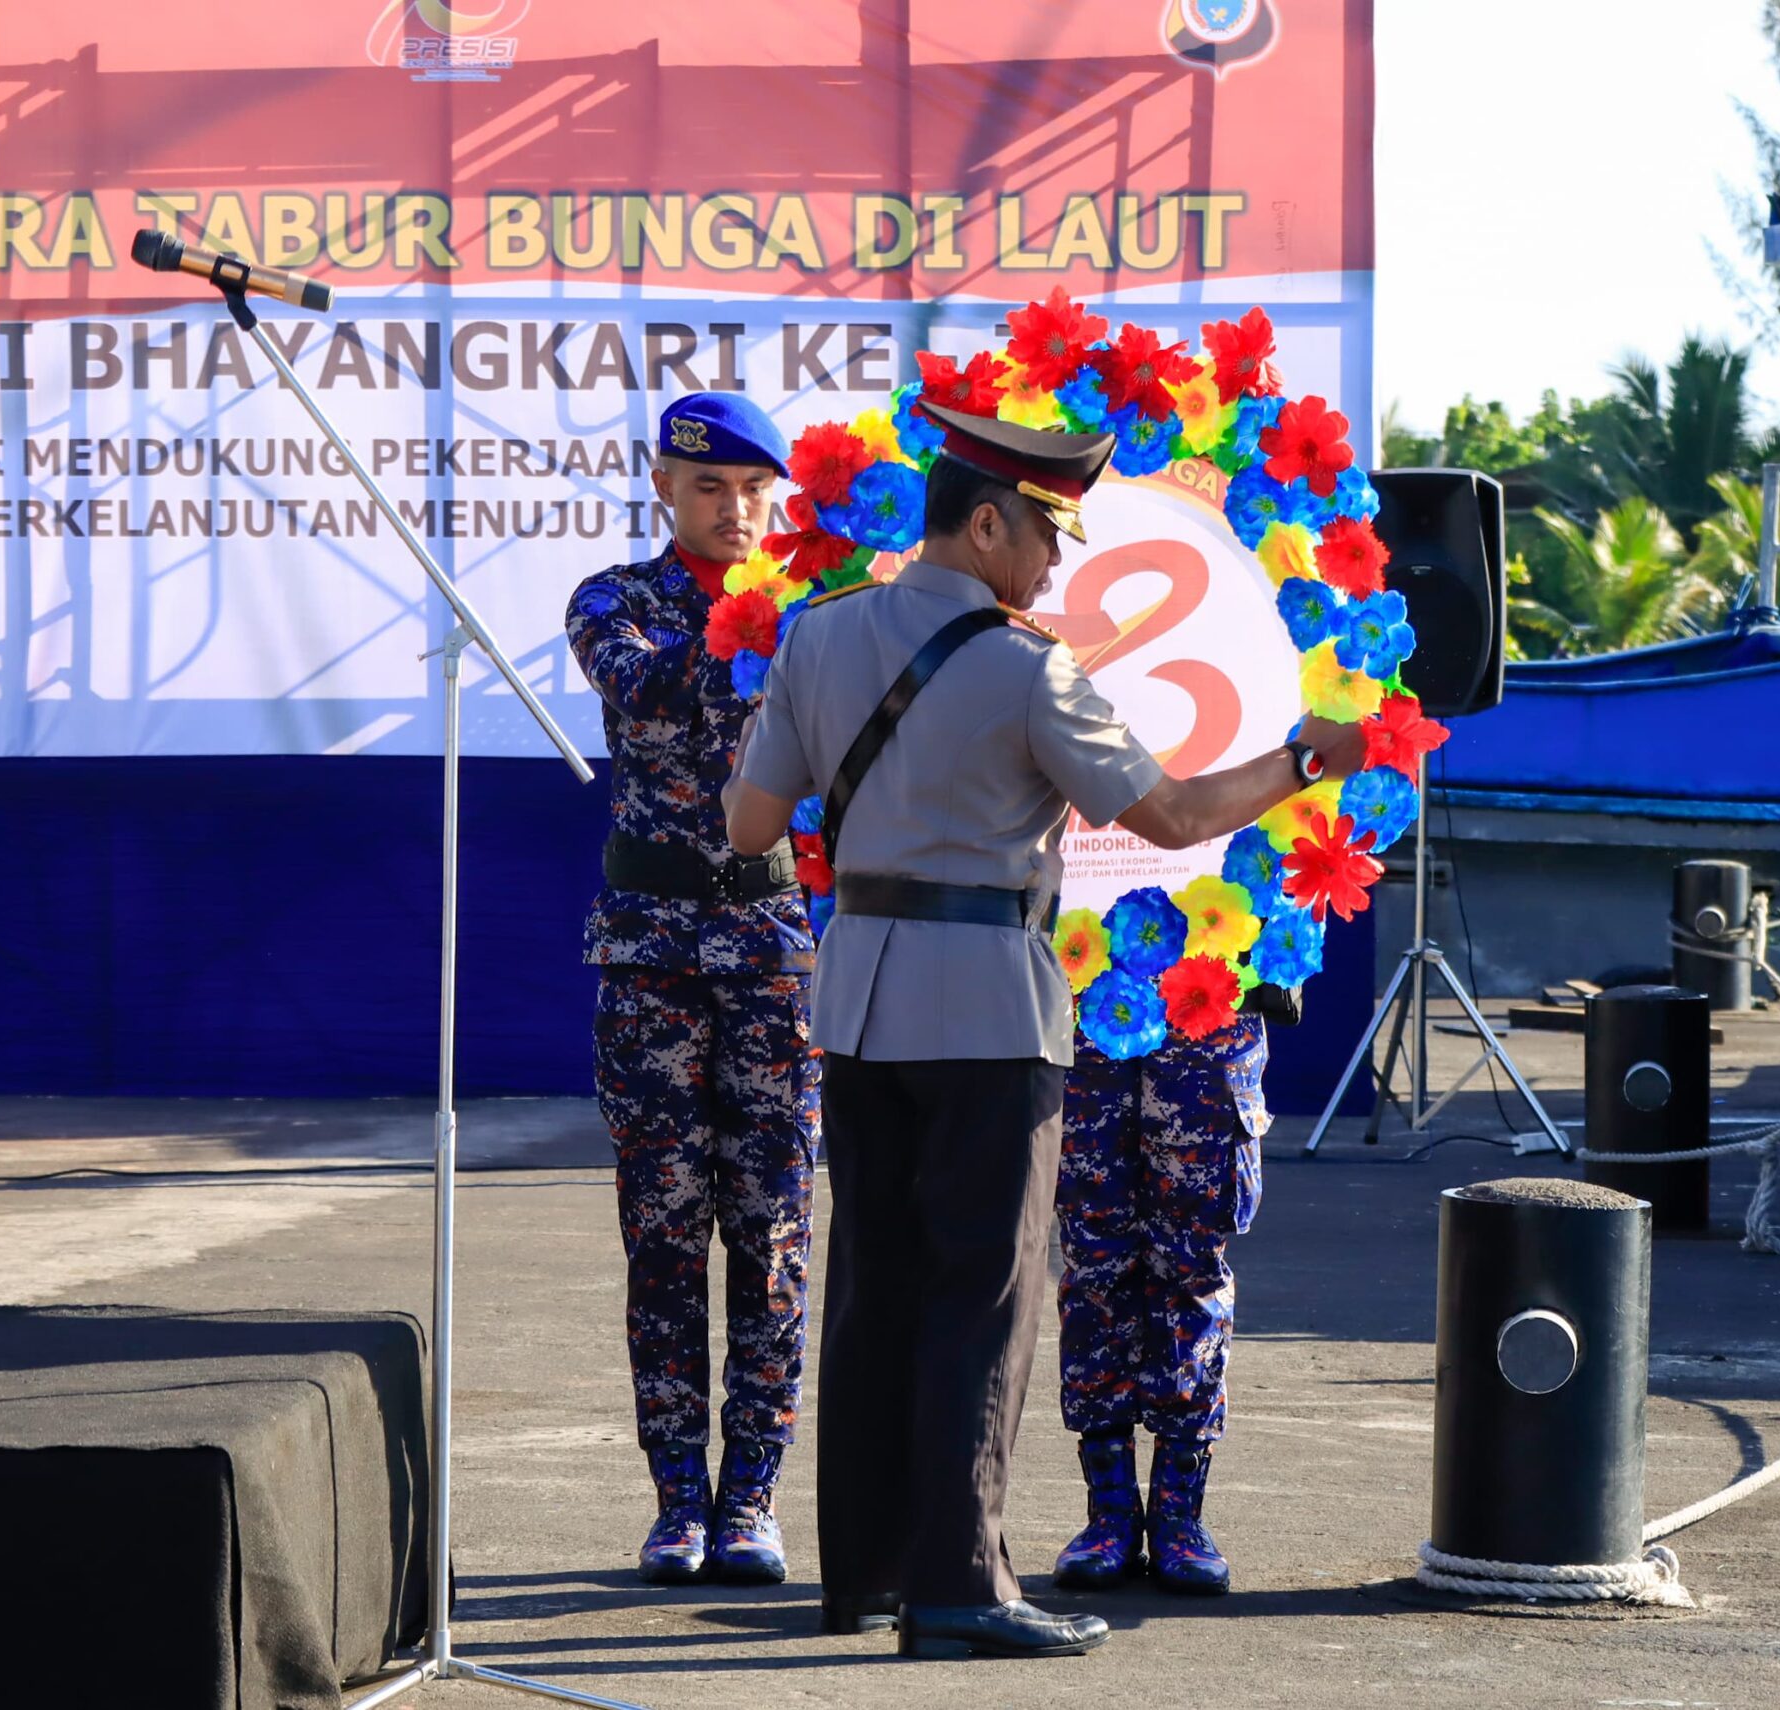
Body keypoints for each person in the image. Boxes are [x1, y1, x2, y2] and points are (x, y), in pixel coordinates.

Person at [722, 401, 1366, 1659]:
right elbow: (1175, 818)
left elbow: (751, 827)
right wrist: (1303, 758)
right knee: (986, 1295)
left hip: (854, 1004)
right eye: (1048, 537)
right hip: (985, 1014)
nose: (1060, 565)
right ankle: (961, 1582)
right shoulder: (1027, 668)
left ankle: (860, 1577)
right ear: (984, 524)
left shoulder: (819, 635)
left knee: (872, 1290)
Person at [564, 393, 818, 1588]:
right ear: (663, 487)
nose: (733, 509)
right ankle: (676, 1502)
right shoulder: (615, 600)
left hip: (771, 952)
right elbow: (649, 693)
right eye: (708, 487)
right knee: (662, 1236)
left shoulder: (822, 614)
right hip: (651, 955)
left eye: (754, 490)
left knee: (769, 1238)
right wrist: (762, 636)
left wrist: (800, 626)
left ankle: (752, 1499)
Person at [1052, 1002, 1274, 1596]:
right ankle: (1110, 1513)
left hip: (1208, 1001)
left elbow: (1301, 908)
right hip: (1090, 999)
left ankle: (1180, 1516)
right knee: (1095, 1264)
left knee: (1191, 1271)